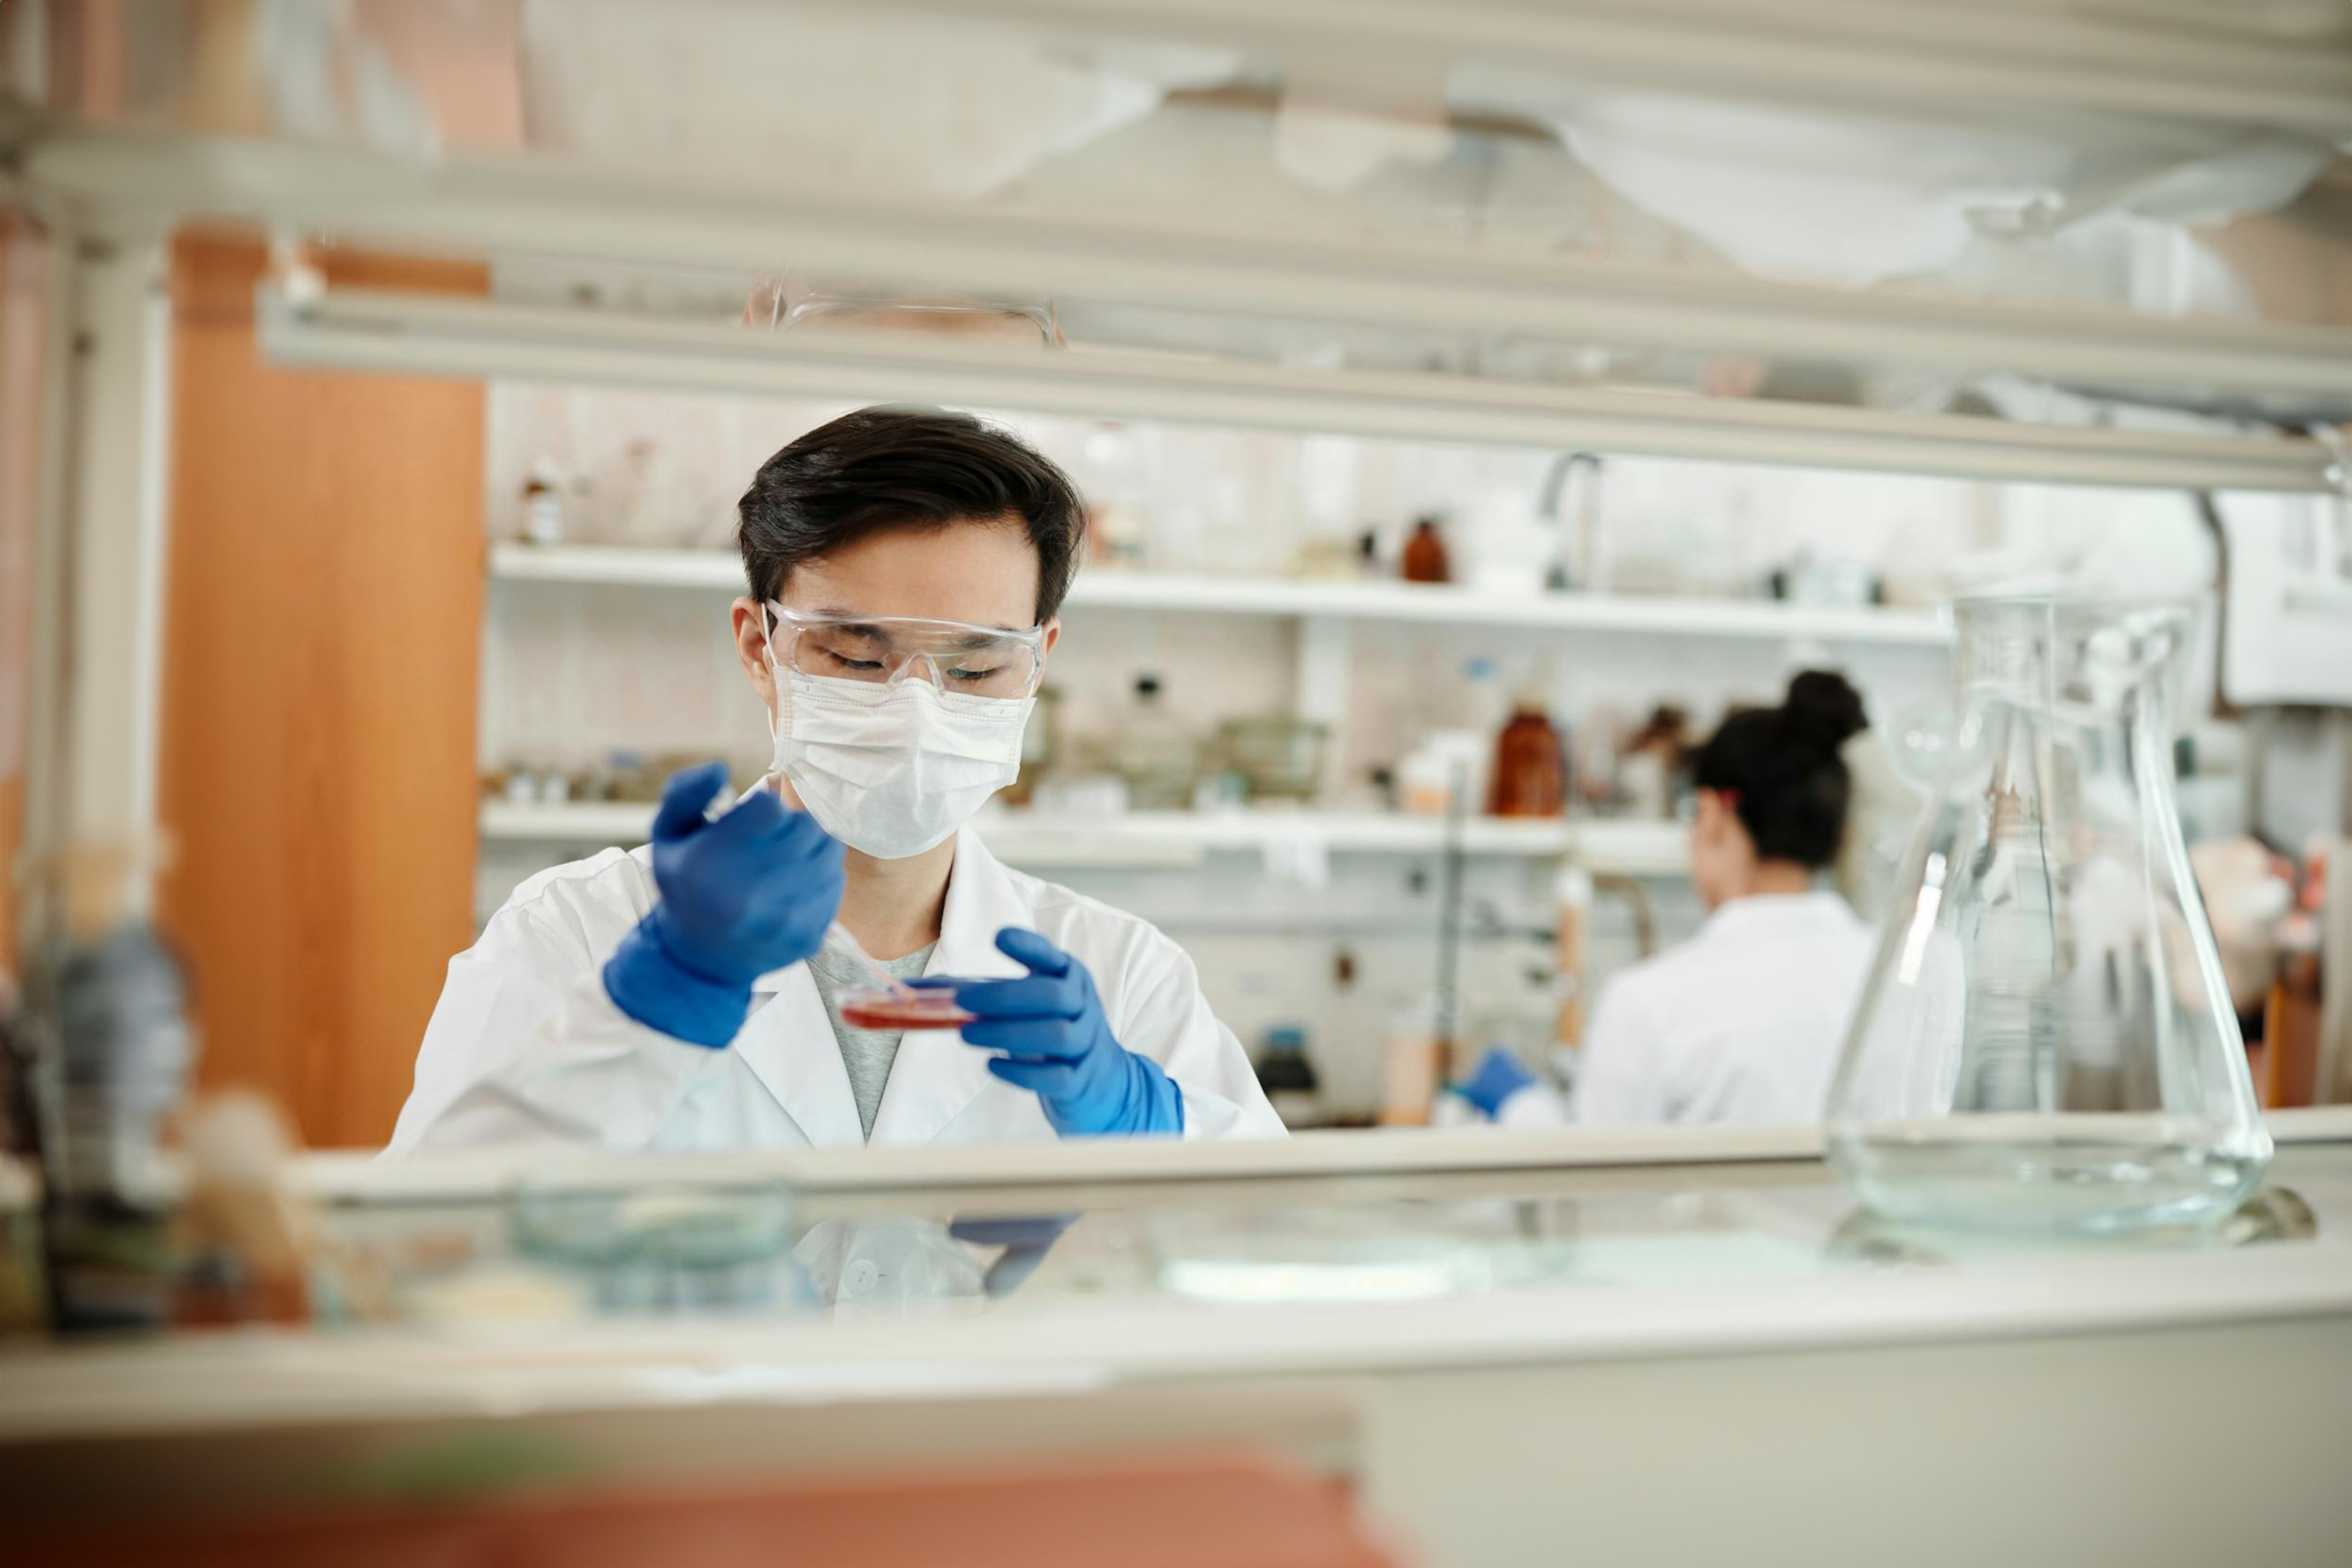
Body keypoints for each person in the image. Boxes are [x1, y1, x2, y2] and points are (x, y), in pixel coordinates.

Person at [393, 407, 1284, 1152]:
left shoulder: (1124, 977)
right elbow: (413, 1253)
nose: (917, 710)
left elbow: (1284, 1265)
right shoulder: (577, 932)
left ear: (1040, 662)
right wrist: (652, 1009)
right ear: (759, 645)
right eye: (860, 656)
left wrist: (1150, 1121)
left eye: (975, 669)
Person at [1457, 671, 1879, 1127]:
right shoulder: (1917, 974)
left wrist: (1521, 1105)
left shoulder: (1648, 1003)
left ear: (1713, 815)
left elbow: (1595, 1180)